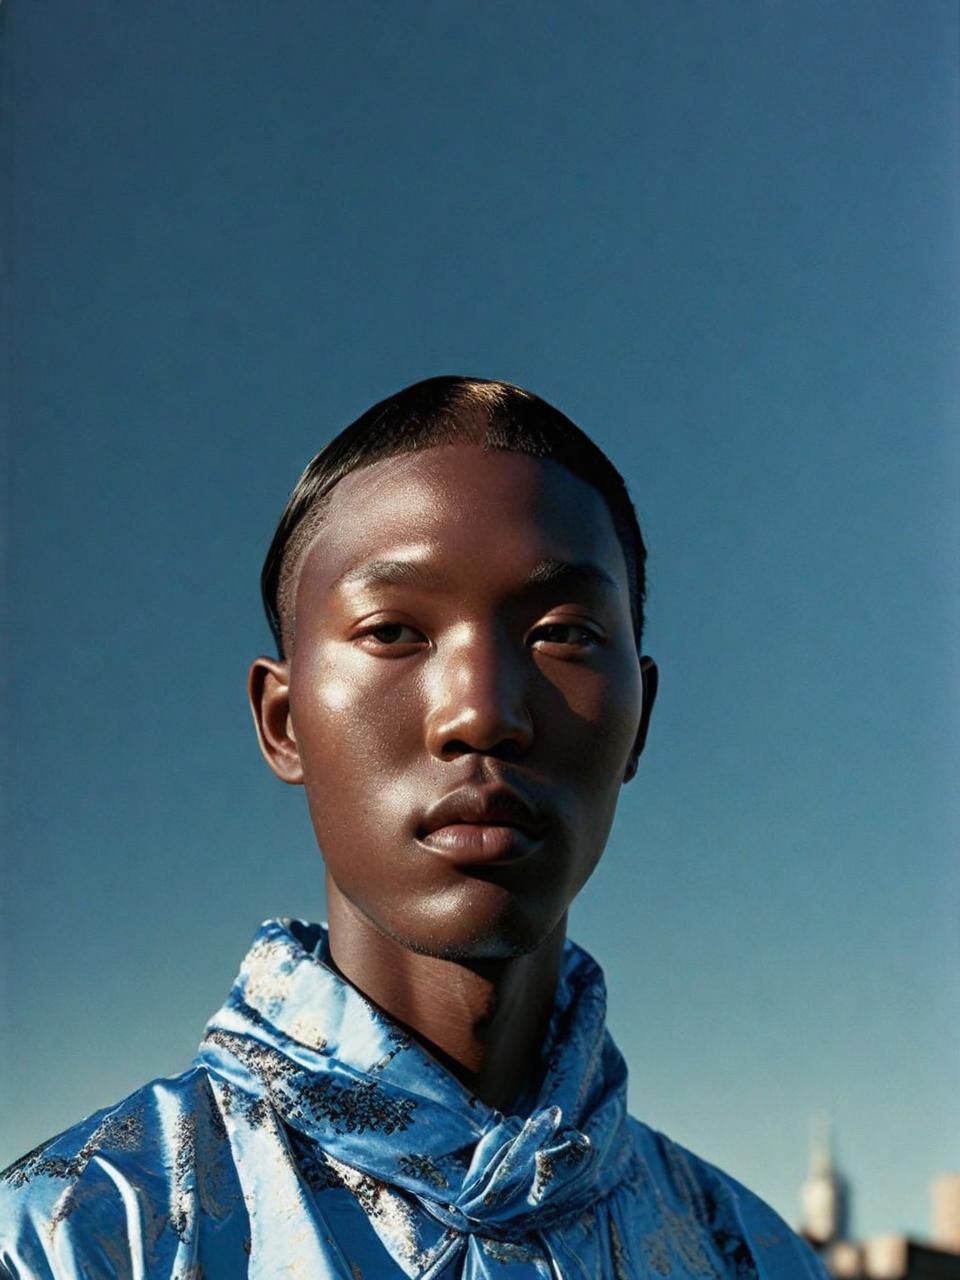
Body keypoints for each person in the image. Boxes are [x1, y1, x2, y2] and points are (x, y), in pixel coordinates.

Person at [0, 377, 827, 1278]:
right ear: (283, 721)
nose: (480, 712)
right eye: (393, 630)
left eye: (563, 633)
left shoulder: (746, 1252)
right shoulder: (76, 1239)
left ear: (643, 719)